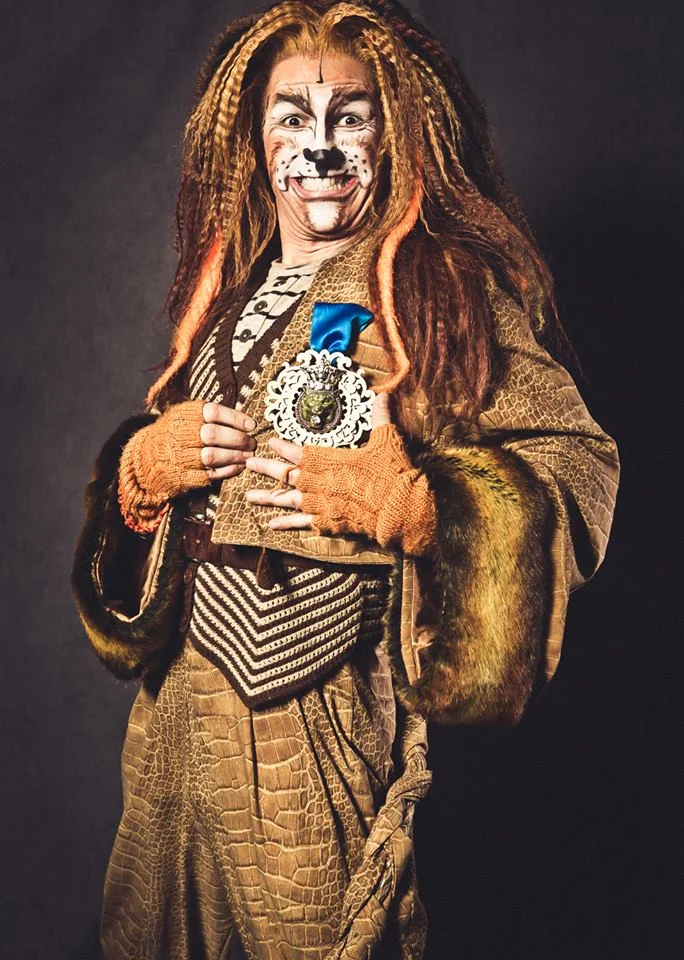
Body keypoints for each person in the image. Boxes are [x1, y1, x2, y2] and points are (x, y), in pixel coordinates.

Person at [71, 1, 620, 957]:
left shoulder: (437, 293)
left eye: (350, 117)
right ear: (254, 140)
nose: (321, 146)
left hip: (312, 712)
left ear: (391, 131)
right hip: (171, 713)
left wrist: (422, 509)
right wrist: (138, 474)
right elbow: (149, 512)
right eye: (293, 117)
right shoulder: (225, 296)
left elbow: (579, 462)